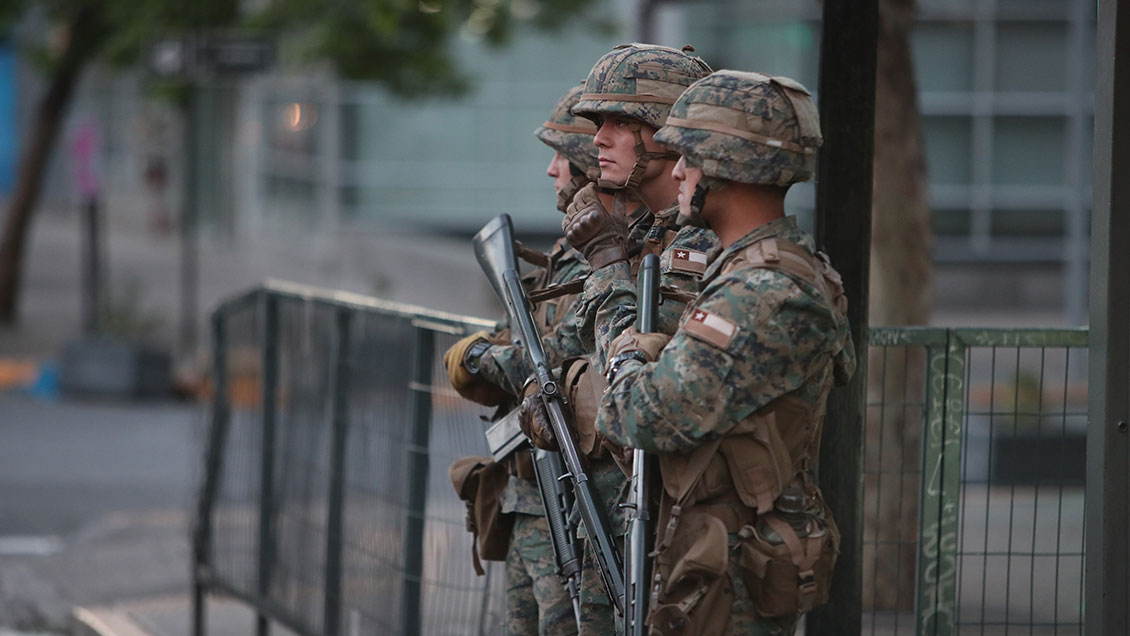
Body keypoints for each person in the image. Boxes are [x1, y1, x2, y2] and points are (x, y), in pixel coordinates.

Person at [582, 70, 857, 635]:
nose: (677, 170)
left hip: (729, 574)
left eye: (689, 157)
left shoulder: (764, 291)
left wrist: (628, 351)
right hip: (707, 559)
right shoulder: (760, 273)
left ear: (729, 165)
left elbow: (638, 414)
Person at [555, 43, 719, 636]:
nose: (600, 139)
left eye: (622, 123)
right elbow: (572, 344)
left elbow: (635, 367)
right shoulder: (638, 230)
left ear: (669, 130)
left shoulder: (702, 247)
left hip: (674, 519)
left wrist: (602, 258)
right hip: (611, 507)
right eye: (599, 123)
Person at [443, 84, 597, 636]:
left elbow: (556, 358)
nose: (552, 170)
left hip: (572, 501)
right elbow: (528, 339)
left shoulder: (607, 256)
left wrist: (484, 356)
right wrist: (491, 351)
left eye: (563, 156)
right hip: (527, 492)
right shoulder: (568, 254)